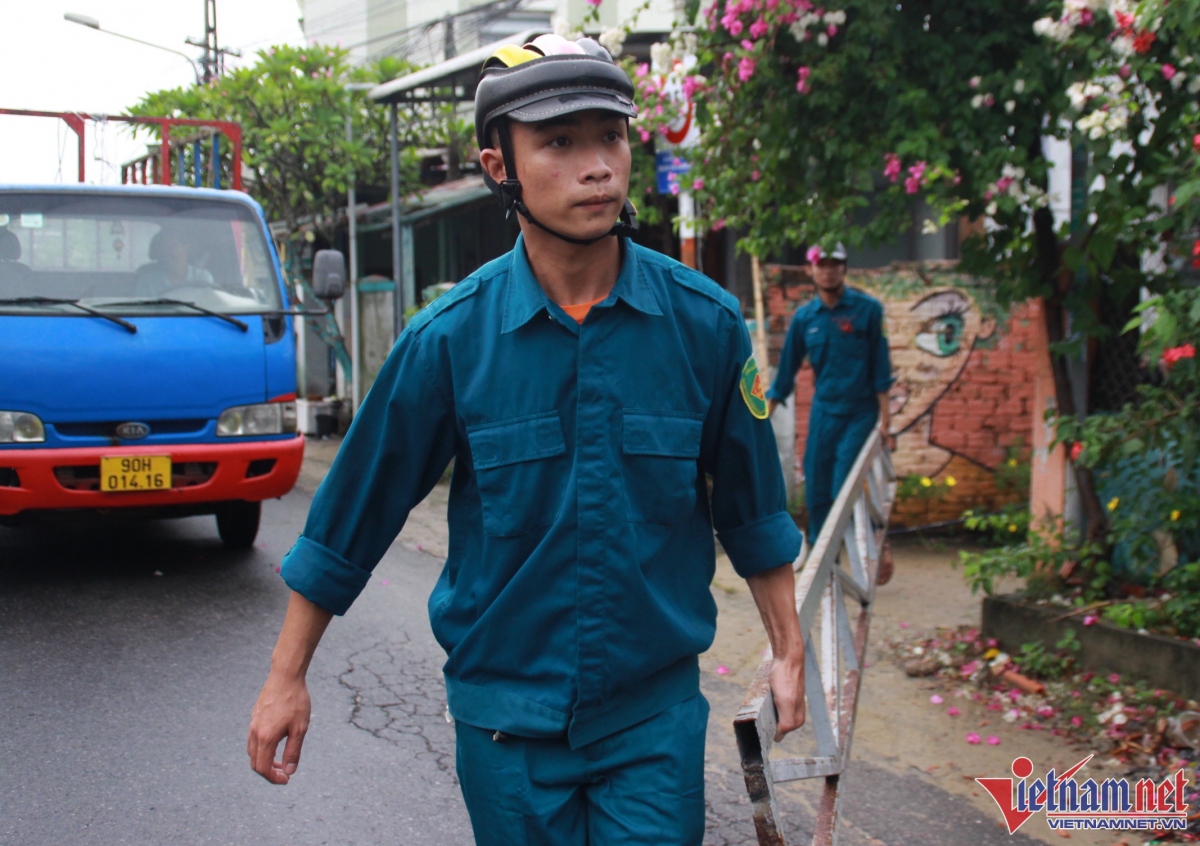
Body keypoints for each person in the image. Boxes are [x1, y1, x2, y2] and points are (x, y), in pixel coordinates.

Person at [246, 34, 805, 846]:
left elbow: (754, 513)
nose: (598, 166)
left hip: (651, 724)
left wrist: (789, 652)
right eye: (559, 142)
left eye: (609, 135)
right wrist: (285, 676)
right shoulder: (449, 340)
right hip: (506, 728)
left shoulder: (705, 326)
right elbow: (350, 518)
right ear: (498, 165)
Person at [766, 244, 894, 570]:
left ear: (844, 268)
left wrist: (886, 421)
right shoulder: (805, 318)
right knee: (817, 486)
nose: (829, 270)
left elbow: (881, 369)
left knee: (842, 486)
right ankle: (823, 556)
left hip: (861, 411)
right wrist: (764, 414)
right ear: (811, 270)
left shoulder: (868, 310)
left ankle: (861, 551)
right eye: (822, 265)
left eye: (835, 264)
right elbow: (786, 373)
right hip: (824, 411)